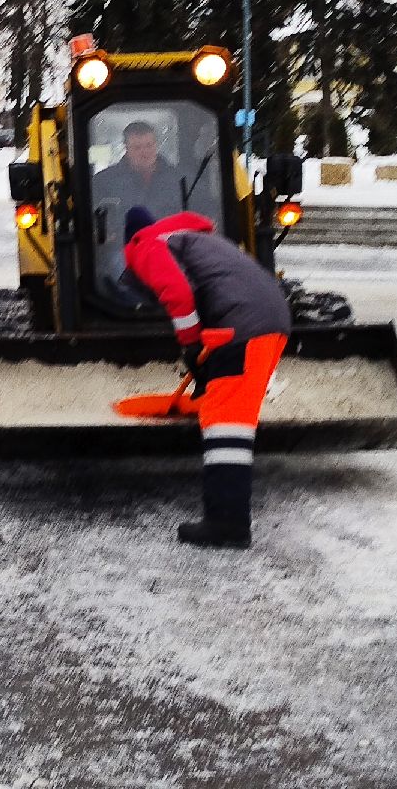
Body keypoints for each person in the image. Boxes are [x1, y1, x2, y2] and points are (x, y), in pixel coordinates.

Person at [119, 205, 292, 549]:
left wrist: (190, 343)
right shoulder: (194, 239)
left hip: (242, 328)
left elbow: (178, 295)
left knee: (226, 427)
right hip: (271, 321)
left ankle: (226, 525)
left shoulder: (145, 243)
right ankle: (227, 520)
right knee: (226, 413)